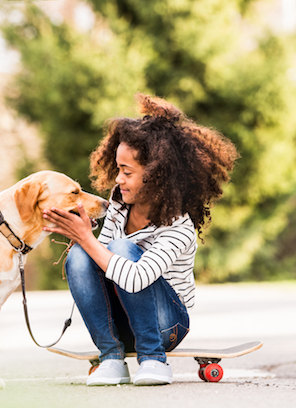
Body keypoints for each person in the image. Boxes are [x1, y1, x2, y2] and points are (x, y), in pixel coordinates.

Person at [42, 93, 238, 386]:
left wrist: (86, 238)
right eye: (117, 169)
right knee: (81, 256)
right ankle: (111, 358)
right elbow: (100, 257)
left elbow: (135, 278)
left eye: (126, 171)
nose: (118, 179)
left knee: (120, 248)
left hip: (166, 325)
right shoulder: (119, 204)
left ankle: (154, 359)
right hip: (122, 320)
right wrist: (78, 235)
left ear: (158, 175)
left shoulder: (179, 227)